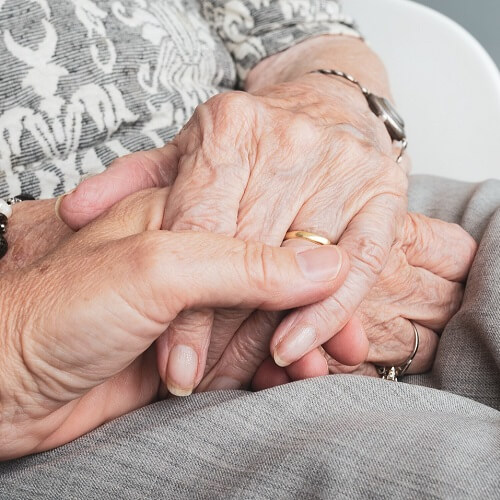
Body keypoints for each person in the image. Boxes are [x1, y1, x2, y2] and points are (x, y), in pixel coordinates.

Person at [0, 0, 499, 497]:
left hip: (329, 198)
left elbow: (303, 29)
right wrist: (26, 259)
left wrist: (320, 117)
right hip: (54, 383)